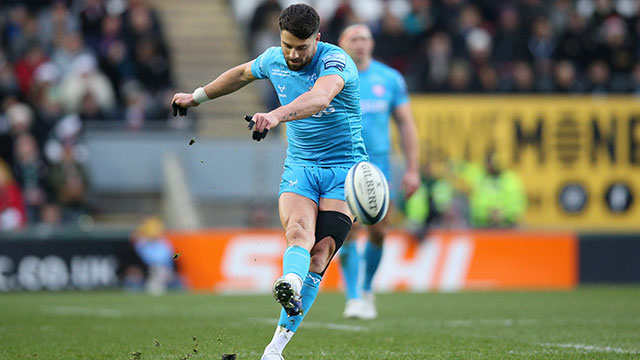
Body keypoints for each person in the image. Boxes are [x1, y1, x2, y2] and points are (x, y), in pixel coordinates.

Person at [171, 4, 367, 360]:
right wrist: (196, 96)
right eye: (287, 45)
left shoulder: (335, 62)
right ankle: (288, 288)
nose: (293, 54)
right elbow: (242, 74)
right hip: (302, 165)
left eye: (302, 47)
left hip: (345, 170)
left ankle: (275, 345)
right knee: (298, 232)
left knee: (320, 254)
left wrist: (275, 116)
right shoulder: (273, 59)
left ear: (317, 40)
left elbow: (320, 97)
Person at [338, 24, 420, 320]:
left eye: (365, 39)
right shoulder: (332, 77)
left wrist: (412, 169)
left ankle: (367, 288)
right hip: (342, 164)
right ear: (343, 44)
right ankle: (354, 297)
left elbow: (406, 124)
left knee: (379, 231)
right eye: (354, 39)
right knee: (347, 231)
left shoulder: (389, 79)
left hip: (378, 167)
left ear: (372, 44)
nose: (360, 44)